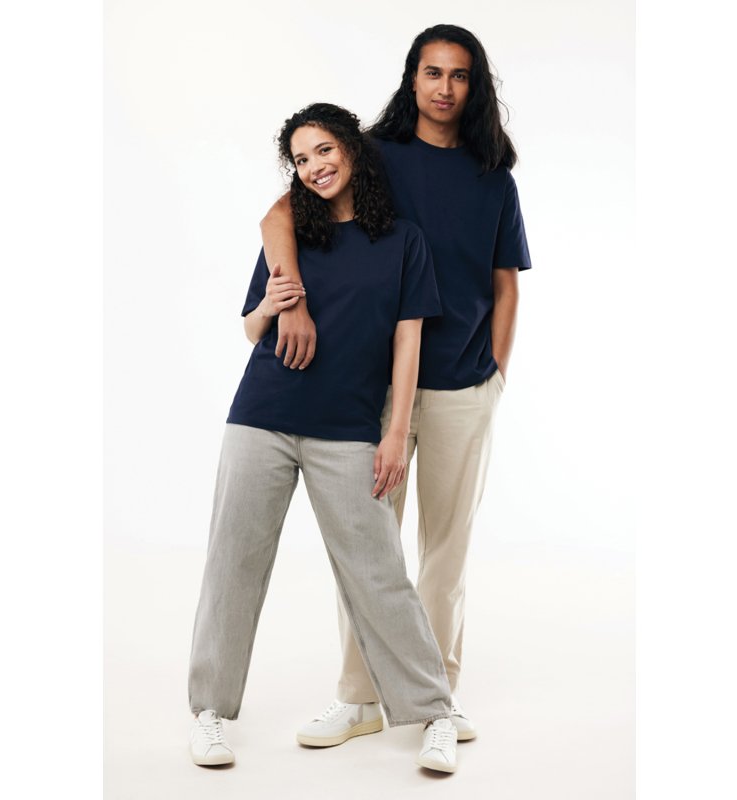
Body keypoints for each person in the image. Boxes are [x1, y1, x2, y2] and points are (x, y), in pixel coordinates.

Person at [259, 25, 532, 745]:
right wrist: (294, 302)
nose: (444, 87)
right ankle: (359, 698)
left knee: (446, 552)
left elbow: (506, 285)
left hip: (463, 389)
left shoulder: (493, 180)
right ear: (412, 78)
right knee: (367, 550)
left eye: (459, 75)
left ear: (474, 87)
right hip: (372, 389)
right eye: (432, 72)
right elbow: (281, 213)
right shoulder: (372, 155)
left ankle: (438, 700)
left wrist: (496, 375)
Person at [187, 103, 461, 774]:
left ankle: (436, 713)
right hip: (262, 416)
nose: (314, 167)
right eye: (301, 159)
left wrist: (395, 432)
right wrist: (273, 305)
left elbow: (407, 344)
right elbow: (252, 328)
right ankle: (210, 712)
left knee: (379, 574)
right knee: (232, 565)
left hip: (348, 429)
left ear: (351, 149)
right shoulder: (292, 235)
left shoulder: (403, 241)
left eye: (323, 150)